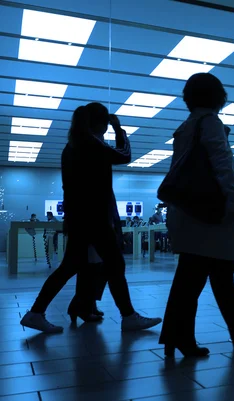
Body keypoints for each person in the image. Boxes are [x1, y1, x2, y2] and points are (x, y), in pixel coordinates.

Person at [20, 102, 162, 333]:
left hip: (79, 217)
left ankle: (36, 312)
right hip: (95, 217)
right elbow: (124, 155)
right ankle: (128, 316)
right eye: (107, 123)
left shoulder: (73, 145)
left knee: (70, 266)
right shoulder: (91, 143)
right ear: (102, 123)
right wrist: (120, 131)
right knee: (115, 264)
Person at [159, 73, 234, 358]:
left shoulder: (186, 127)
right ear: (218, 97)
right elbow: (222, 166)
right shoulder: (210, 124)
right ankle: (184, 336)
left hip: (189, 212)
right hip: (210, 215)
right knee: (203, 278)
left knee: (204, 277)